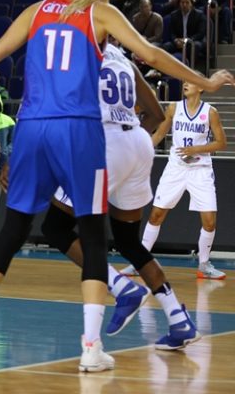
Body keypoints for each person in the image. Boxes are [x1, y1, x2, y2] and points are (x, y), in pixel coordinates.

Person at [0, 0, 231, 372]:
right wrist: (206, 83)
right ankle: (91, 347)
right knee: (91, 231)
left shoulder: (37, 11)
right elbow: (155, 57)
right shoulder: (100, 14)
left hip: (32, 126)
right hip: (82, 130)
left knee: (12, 230)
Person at [39, 38, 201, 352]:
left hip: (104, 143)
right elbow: (156, 111)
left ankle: (121, 287)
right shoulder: (121, 57)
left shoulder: (75, 53)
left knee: (55, 227)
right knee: (128, 241)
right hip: (137, 141)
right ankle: (179, 320)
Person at [136, 83, 227, 280]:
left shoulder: (210, 112)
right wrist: (141, 149)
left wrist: (196, 150)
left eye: (190, 81)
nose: (185, 84)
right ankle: (140, 262)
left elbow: (221, 142)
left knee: (210, 222)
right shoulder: (174, 108)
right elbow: (160, 133)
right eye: (183, 81)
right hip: (175, 169)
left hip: (201, 171)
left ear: (201, 88)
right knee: (156, 215)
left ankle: (204, 265)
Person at [162, 0, 206, 64]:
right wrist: (175, 40)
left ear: (191, 4)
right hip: (179, 41)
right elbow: (172, 32)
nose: (184, 5)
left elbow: (200, 33)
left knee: (196, 46)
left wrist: (186, 40)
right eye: (182, 2)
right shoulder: (174, 15)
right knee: (166, 46)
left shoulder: (199, 15)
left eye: (187, 2)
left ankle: (190, 67)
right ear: (179, 4)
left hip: (192, 40)